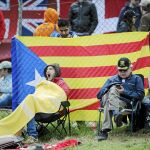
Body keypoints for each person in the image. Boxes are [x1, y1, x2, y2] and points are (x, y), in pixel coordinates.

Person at [97, 57, 145, 141]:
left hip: (125, 103)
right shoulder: (111, 79)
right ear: (117, 69)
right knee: (111, 89)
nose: (122, 72)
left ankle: (104, 131)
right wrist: (108, 88)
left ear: (131, 68)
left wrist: (124, 92)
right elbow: (99, 95)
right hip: (110, 101)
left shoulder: (137, 79)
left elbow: (140, 95)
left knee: (108, 103)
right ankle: (116, 114)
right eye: (120, 70)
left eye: (125, 70)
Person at [24, 63, 70, 144]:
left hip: (54, 111)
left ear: (56, 72)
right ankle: (32, 135)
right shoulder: (43, 84)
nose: (48, 71)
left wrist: (51, 91)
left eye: (51, 69)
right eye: (47, 70)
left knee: (30, 102)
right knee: (28, 105)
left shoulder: (61, 83)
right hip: (40, 110)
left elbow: (64, 94)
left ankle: (34, 133)